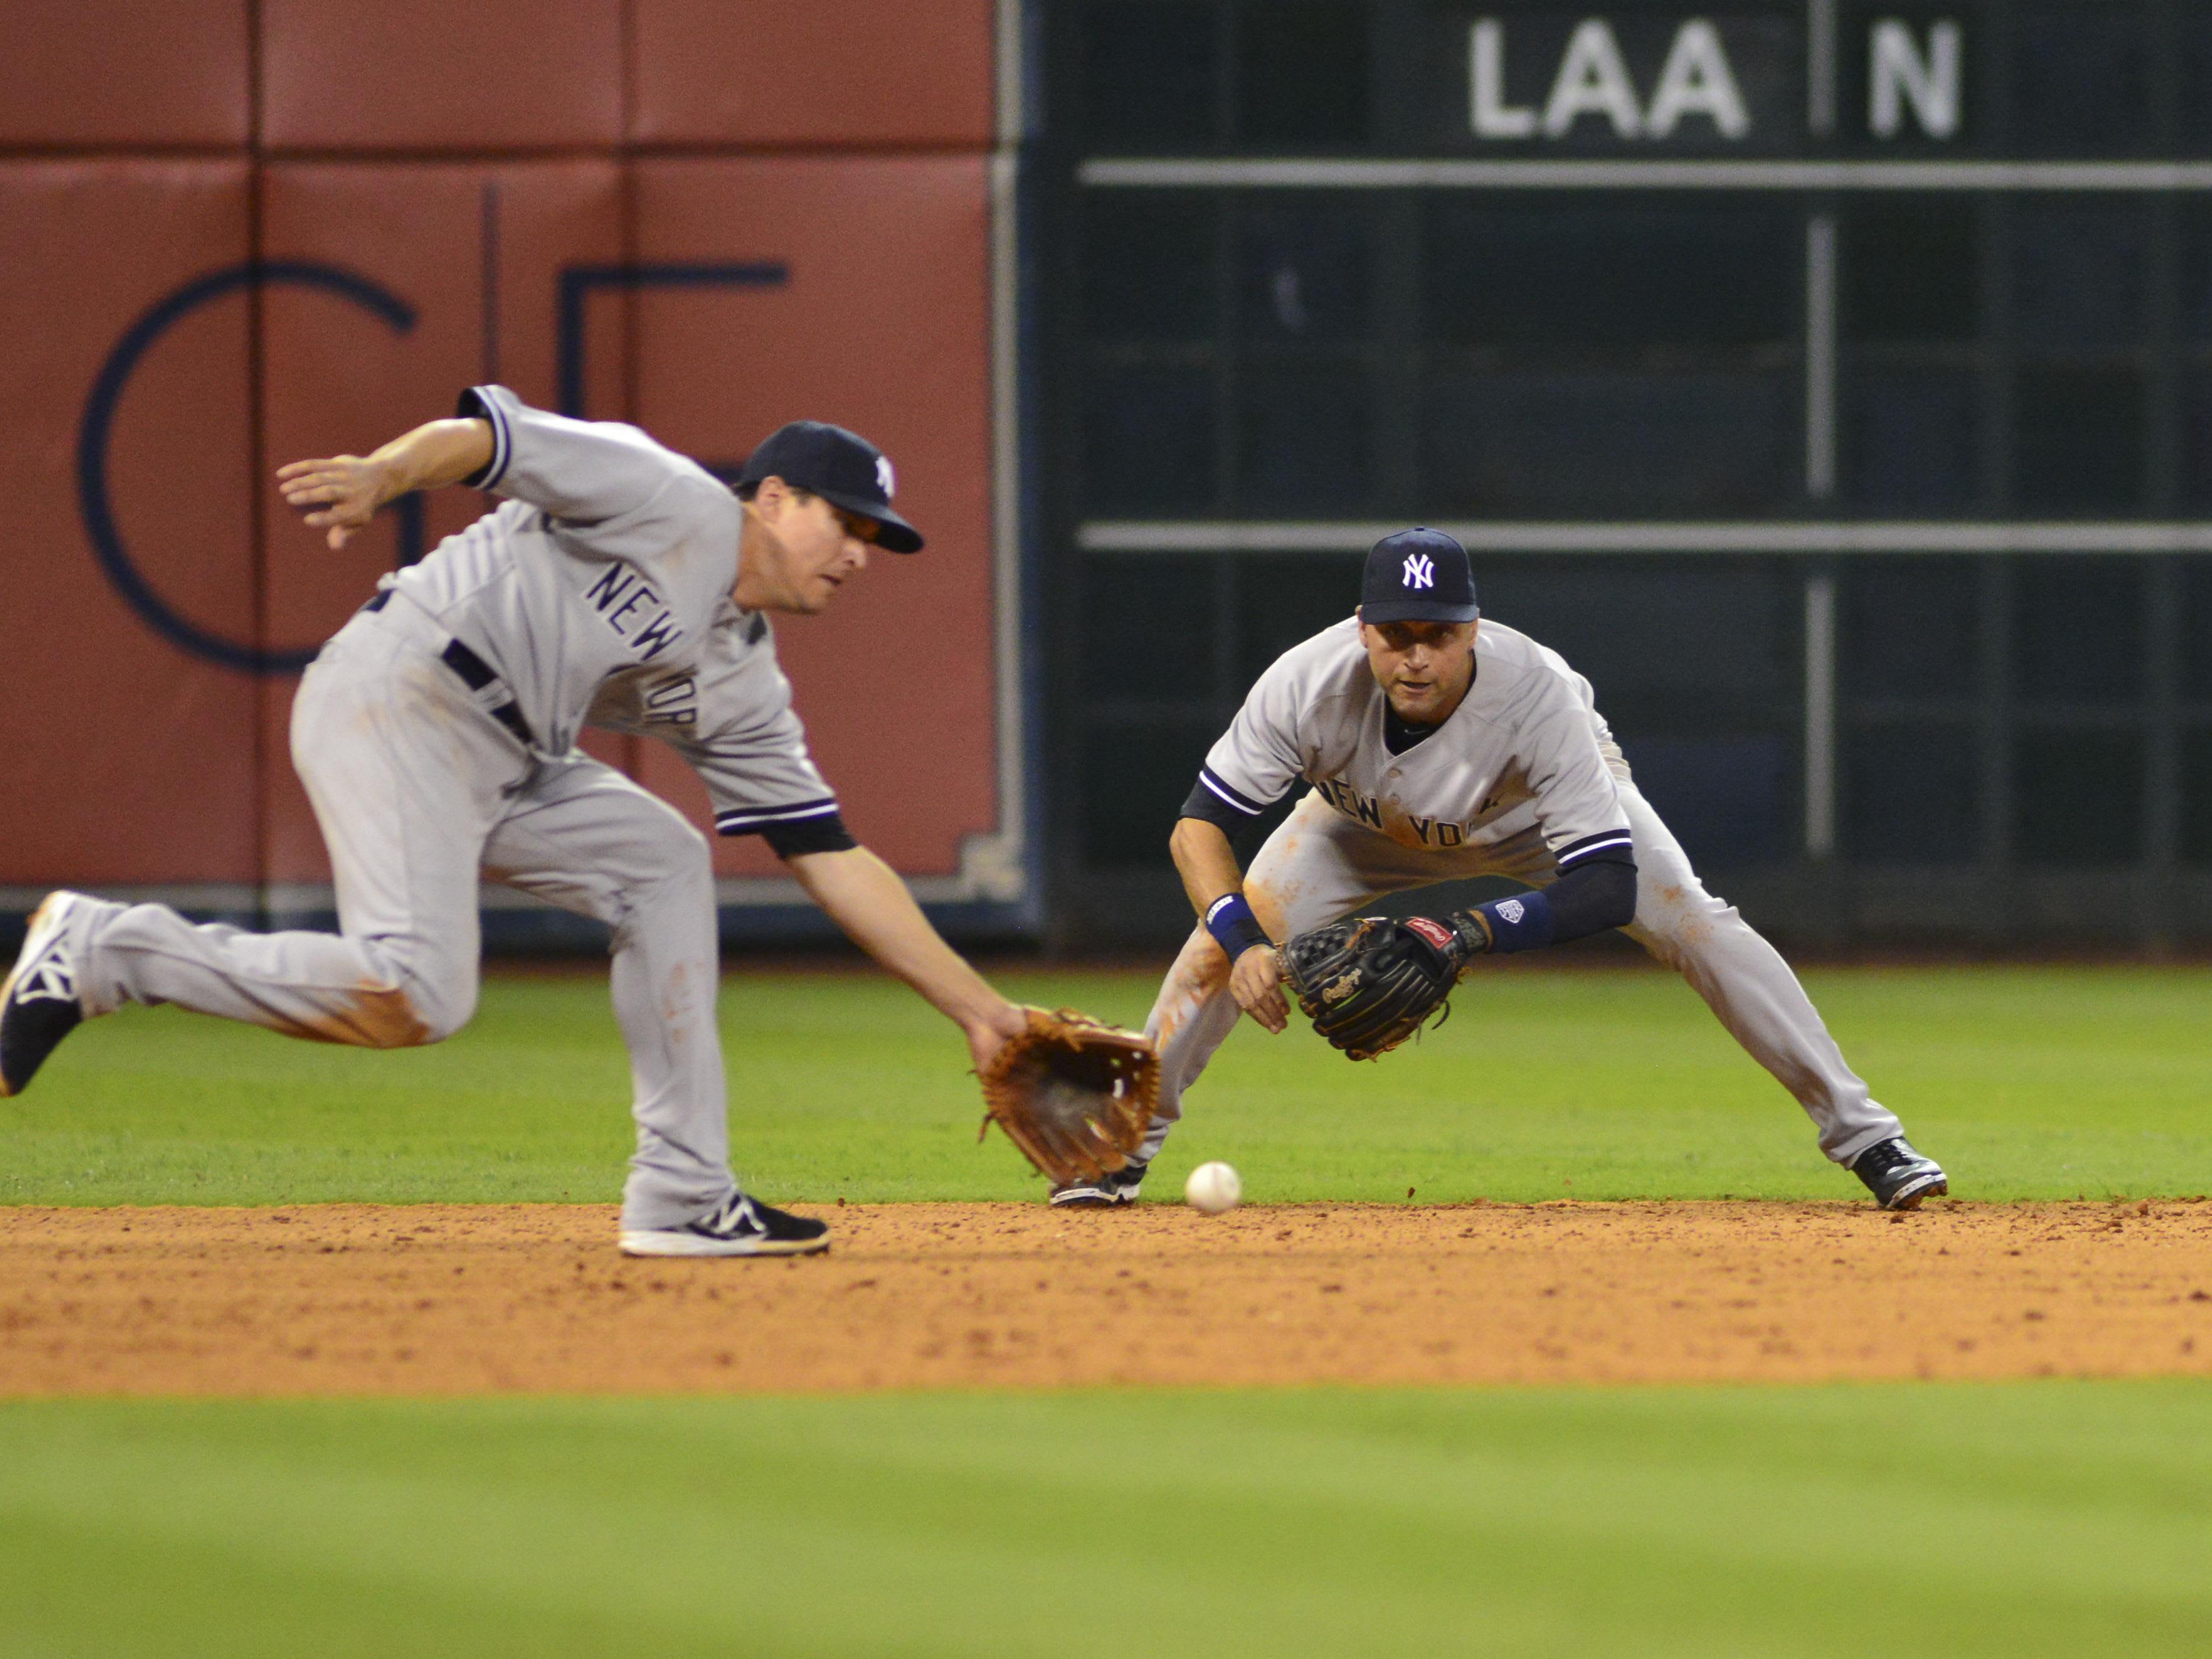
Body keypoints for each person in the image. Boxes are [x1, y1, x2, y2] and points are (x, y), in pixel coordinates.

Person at [0, 388, 1030, 1256]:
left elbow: (829, 856)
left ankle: (680, 1189)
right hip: (404, 688)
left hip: (509, 756)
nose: (858, 552)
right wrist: (383, 474)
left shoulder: (741, 677)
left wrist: (984, 1015)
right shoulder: (665, 496)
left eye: (874, 539)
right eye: (845, 523)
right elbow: (490, 438)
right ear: (771, 497)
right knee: (414, 993)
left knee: (664, 861)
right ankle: (105, 952)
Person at [1051, 528, 1946, 1212]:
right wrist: (1241, 937)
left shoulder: (1535, 693)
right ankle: (1122, 1145)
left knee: (1699, 923)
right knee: (1216, 941)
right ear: (1362, 629)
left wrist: (1461, 932)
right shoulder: (1305, 684)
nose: (1415, 655)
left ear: (1471, 629)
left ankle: (1869, 1141)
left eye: (1436, 635)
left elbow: (1605, 885)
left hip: (1526, 822)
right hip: (1355, 825)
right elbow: (1199, 826)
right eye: (1395, 633)